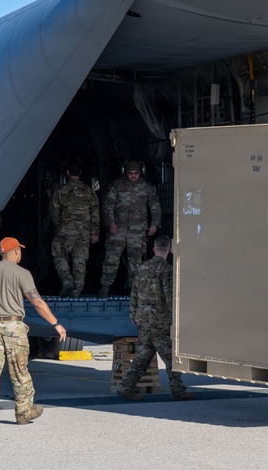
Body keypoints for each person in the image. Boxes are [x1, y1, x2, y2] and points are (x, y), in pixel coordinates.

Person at [0, 237, 67, 430]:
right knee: (19, 370)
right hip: (13, 327)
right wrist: (56, 324)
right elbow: (36, 301)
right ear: (16, 252)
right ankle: (23, 412)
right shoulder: (22, 273)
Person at [115, 234, 194, 402]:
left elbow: (134, 292)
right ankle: (178, 390)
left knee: (143, 354)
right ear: (170, 250)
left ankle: (126, 386)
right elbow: (170, 297)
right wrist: (178, 318)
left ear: (153, 249)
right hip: (160, 321)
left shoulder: (142, 267)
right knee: (170, 356)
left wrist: (133, 313)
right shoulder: (167, 270)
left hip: (144, 319)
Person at [98, 160, 161, 298]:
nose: (133, 176)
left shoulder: (147, 187)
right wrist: (111, 223)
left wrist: (155, 224)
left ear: (141, 172)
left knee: (136, 262)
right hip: (118, 229)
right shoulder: (116, 186)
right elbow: (108, 205)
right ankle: (105, 286)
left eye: (136, 173)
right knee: (111, 258)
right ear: (125, 172)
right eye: (130, 173)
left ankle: (134, 290)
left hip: (138, 231)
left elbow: (154, 205)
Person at [50, 160, 100, 297]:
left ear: (67, 173)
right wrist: (95, 232)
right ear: (81, 173)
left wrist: (59, 226)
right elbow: (95, 213)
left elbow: (54, 213)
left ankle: (67, 281)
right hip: (84, 231)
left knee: (58, 253)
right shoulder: (90, 192)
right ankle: (77, 290)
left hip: (66, 229)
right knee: (80, 260)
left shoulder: (60, 191)